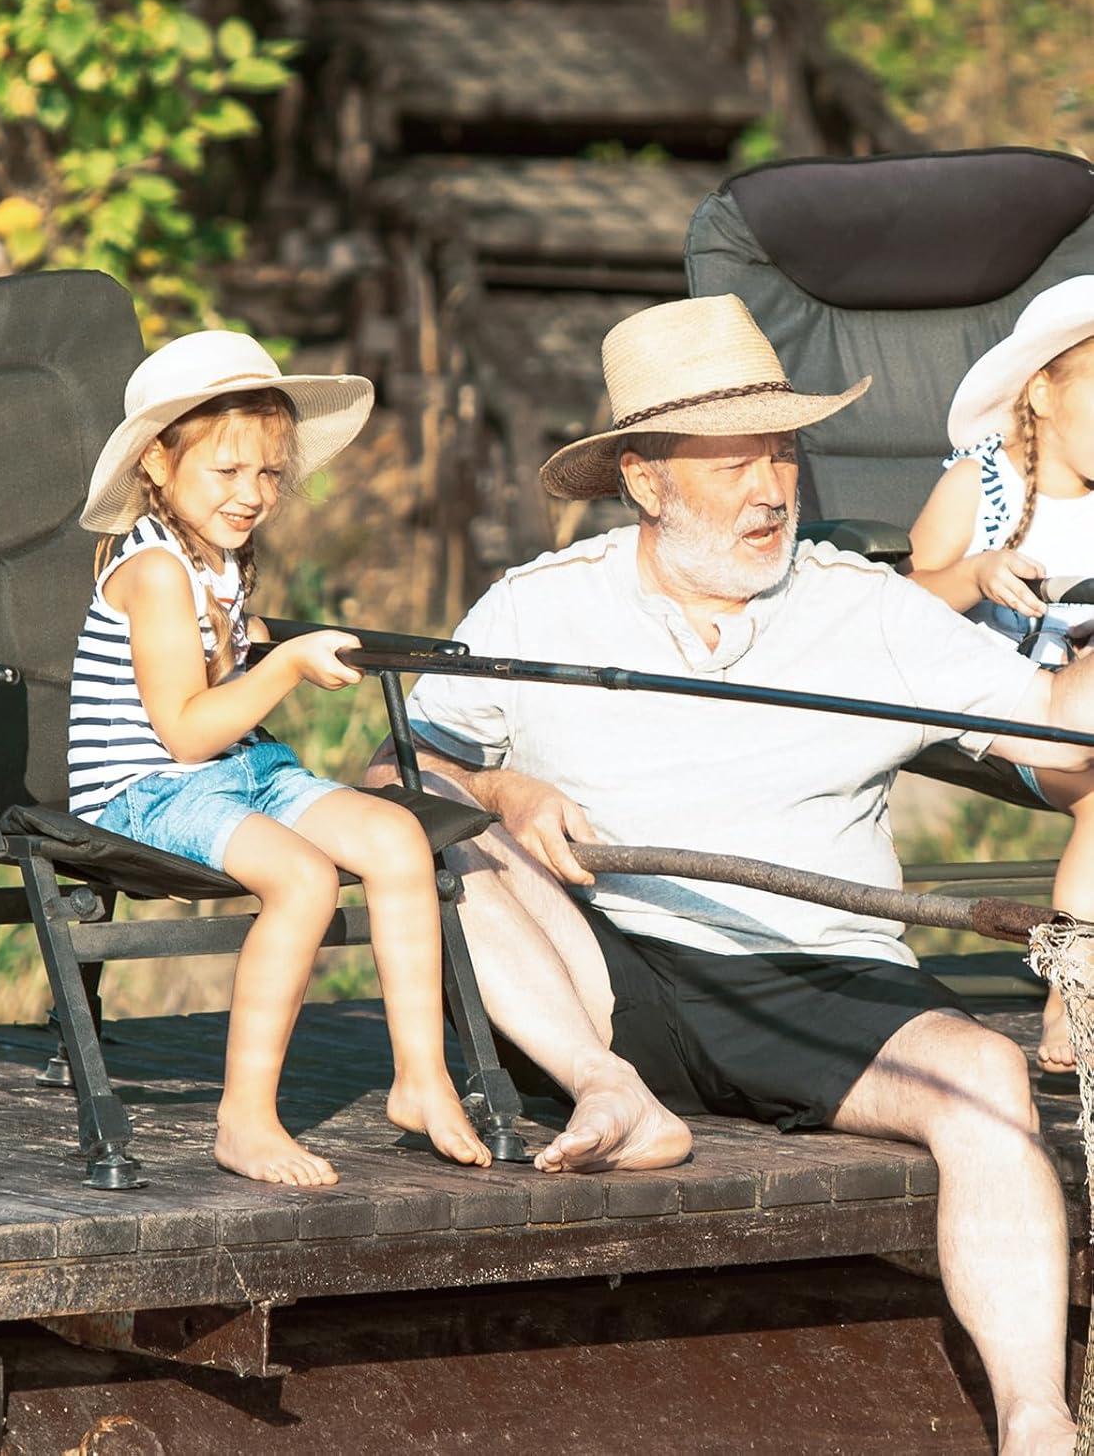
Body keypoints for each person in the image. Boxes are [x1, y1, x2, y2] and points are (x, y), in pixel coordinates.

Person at [367, 295, 1087, 1453]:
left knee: (988, 1082)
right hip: (598, 974)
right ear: (646, 479)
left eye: (784, 450)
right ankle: (610, 1092)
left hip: (820, 975)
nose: (773, 486)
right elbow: (396, 772)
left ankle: (1039, 1422)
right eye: (735, 458)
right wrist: (503, 791)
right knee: (450, 844)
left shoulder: (872, 610)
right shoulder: (539, 605)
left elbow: (1061, 745)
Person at [71, 329, 491, 1188]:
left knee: (398, 841)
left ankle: (420, 1079)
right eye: (227, 473)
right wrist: (287, 666)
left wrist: (254, 642)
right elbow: (184, 732)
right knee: (301, 878)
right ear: (157, 463)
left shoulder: (217, 558)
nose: (252, 493)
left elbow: (220, 676)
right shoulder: (153, 570)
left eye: (267, 473)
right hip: (146, 788)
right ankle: (245, 1119)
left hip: (238, 770)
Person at [907, 276, 1094, 1076]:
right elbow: (899, 600)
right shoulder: (983, 485)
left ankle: (1075, 984)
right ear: (1043, 392)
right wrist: (977, 573)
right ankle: (1074, 989)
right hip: (1009, 707)